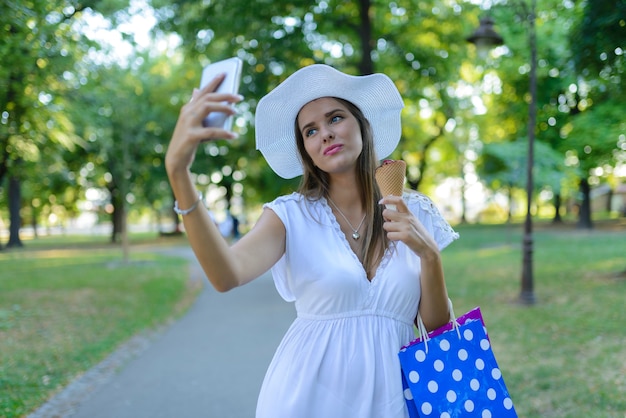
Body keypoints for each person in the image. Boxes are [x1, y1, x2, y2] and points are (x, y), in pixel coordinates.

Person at [165, 64, 459, 418]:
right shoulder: (290, 216)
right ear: (305, 149)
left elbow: (437, 329)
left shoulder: (415, 211)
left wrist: (429, 255)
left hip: (392, 401)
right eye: (310, 130)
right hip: (305, 399)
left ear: (362, 124)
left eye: (335, 118)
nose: (325, 134)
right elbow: (226, 275)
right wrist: (179, 173)